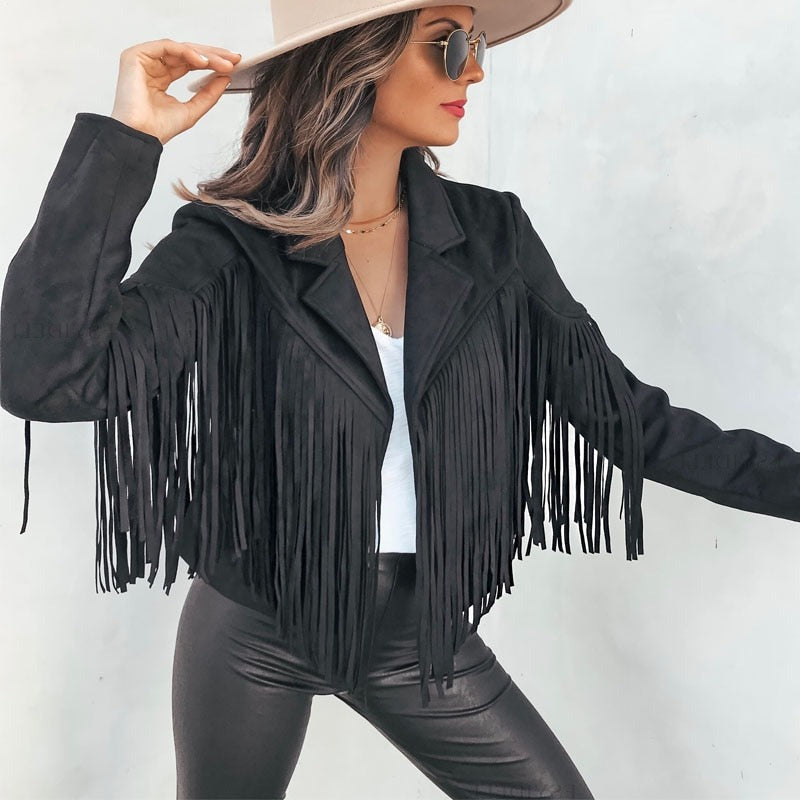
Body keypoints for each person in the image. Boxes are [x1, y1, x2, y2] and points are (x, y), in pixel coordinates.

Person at [2, 2, 799, 798]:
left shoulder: (492, 238)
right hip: (256, 629)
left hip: (415, 637)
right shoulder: (233, 243)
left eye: (475, 43)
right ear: (357, 58)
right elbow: (48, 375)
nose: (474, 70)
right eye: (448, 45)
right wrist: (125, 143)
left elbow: (631, 418)